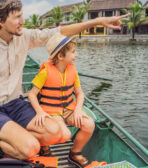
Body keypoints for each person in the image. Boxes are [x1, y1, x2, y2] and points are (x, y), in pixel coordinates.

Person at [0, 0, 129, 160]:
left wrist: (98, 21)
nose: (22, 22)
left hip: (16, 104)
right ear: (0, 21)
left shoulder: (24, 37)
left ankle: (17, 139)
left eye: (22, 16)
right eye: (16, 18)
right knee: (32, 149)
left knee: (59, 133)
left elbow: (60, 31)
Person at [28, 33, 99, 167]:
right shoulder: (45, 72)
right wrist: (39, 112)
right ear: (60, 56)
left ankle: (75, 153)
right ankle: (44, 147)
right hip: (51, 111)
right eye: (73, 52)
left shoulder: (73, 70)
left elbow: (80, 94)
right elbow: (32, 94)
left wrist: (78, 110)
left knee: (89, 124)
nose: (76, 55)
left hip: (69, 109)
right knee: (62, 133)